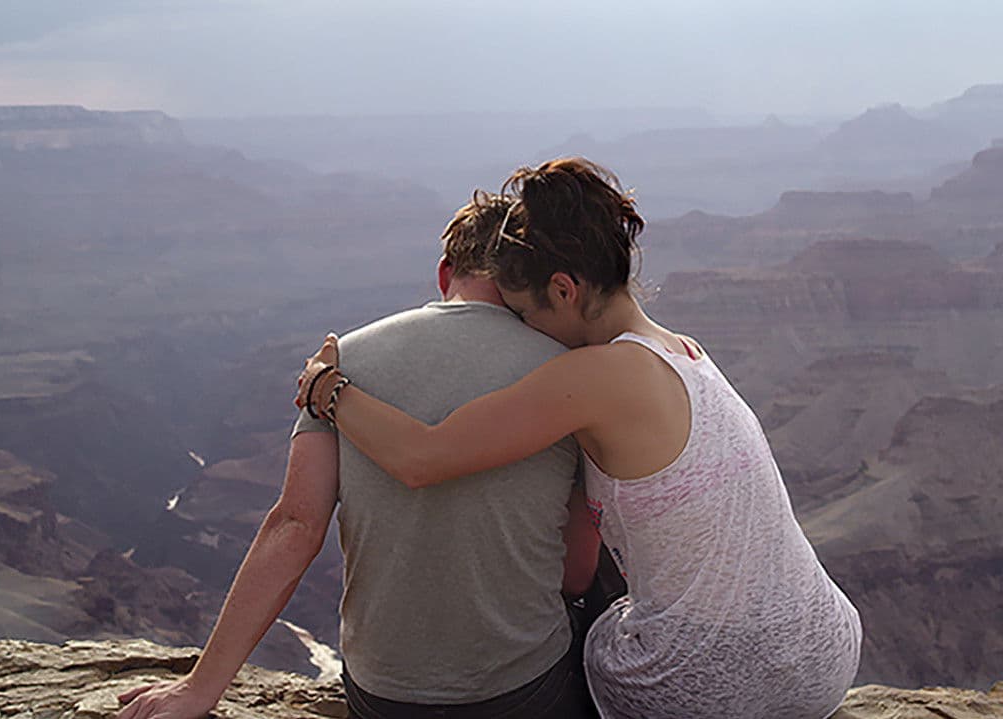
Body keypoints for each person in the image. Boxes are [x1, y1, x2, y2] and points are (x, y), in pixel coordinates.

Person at [296, 157, 863, 719]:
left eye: (524, 314)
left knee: (561, 632)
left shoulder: (595, 377)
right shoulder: (685, 352)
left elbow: (422, 457)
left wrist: (328, 388)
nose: (525, 332)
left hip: (707, 686)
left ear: (564, 289)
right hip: (823, 654)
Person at [117, 192, 602, 719]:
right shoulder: (570, 376)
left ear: (445, 272)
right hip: (524, 688)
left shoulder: (340, 362)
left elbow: (295, 526)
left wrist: (200, 688)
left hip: (385, 693)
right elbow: (576, 572)